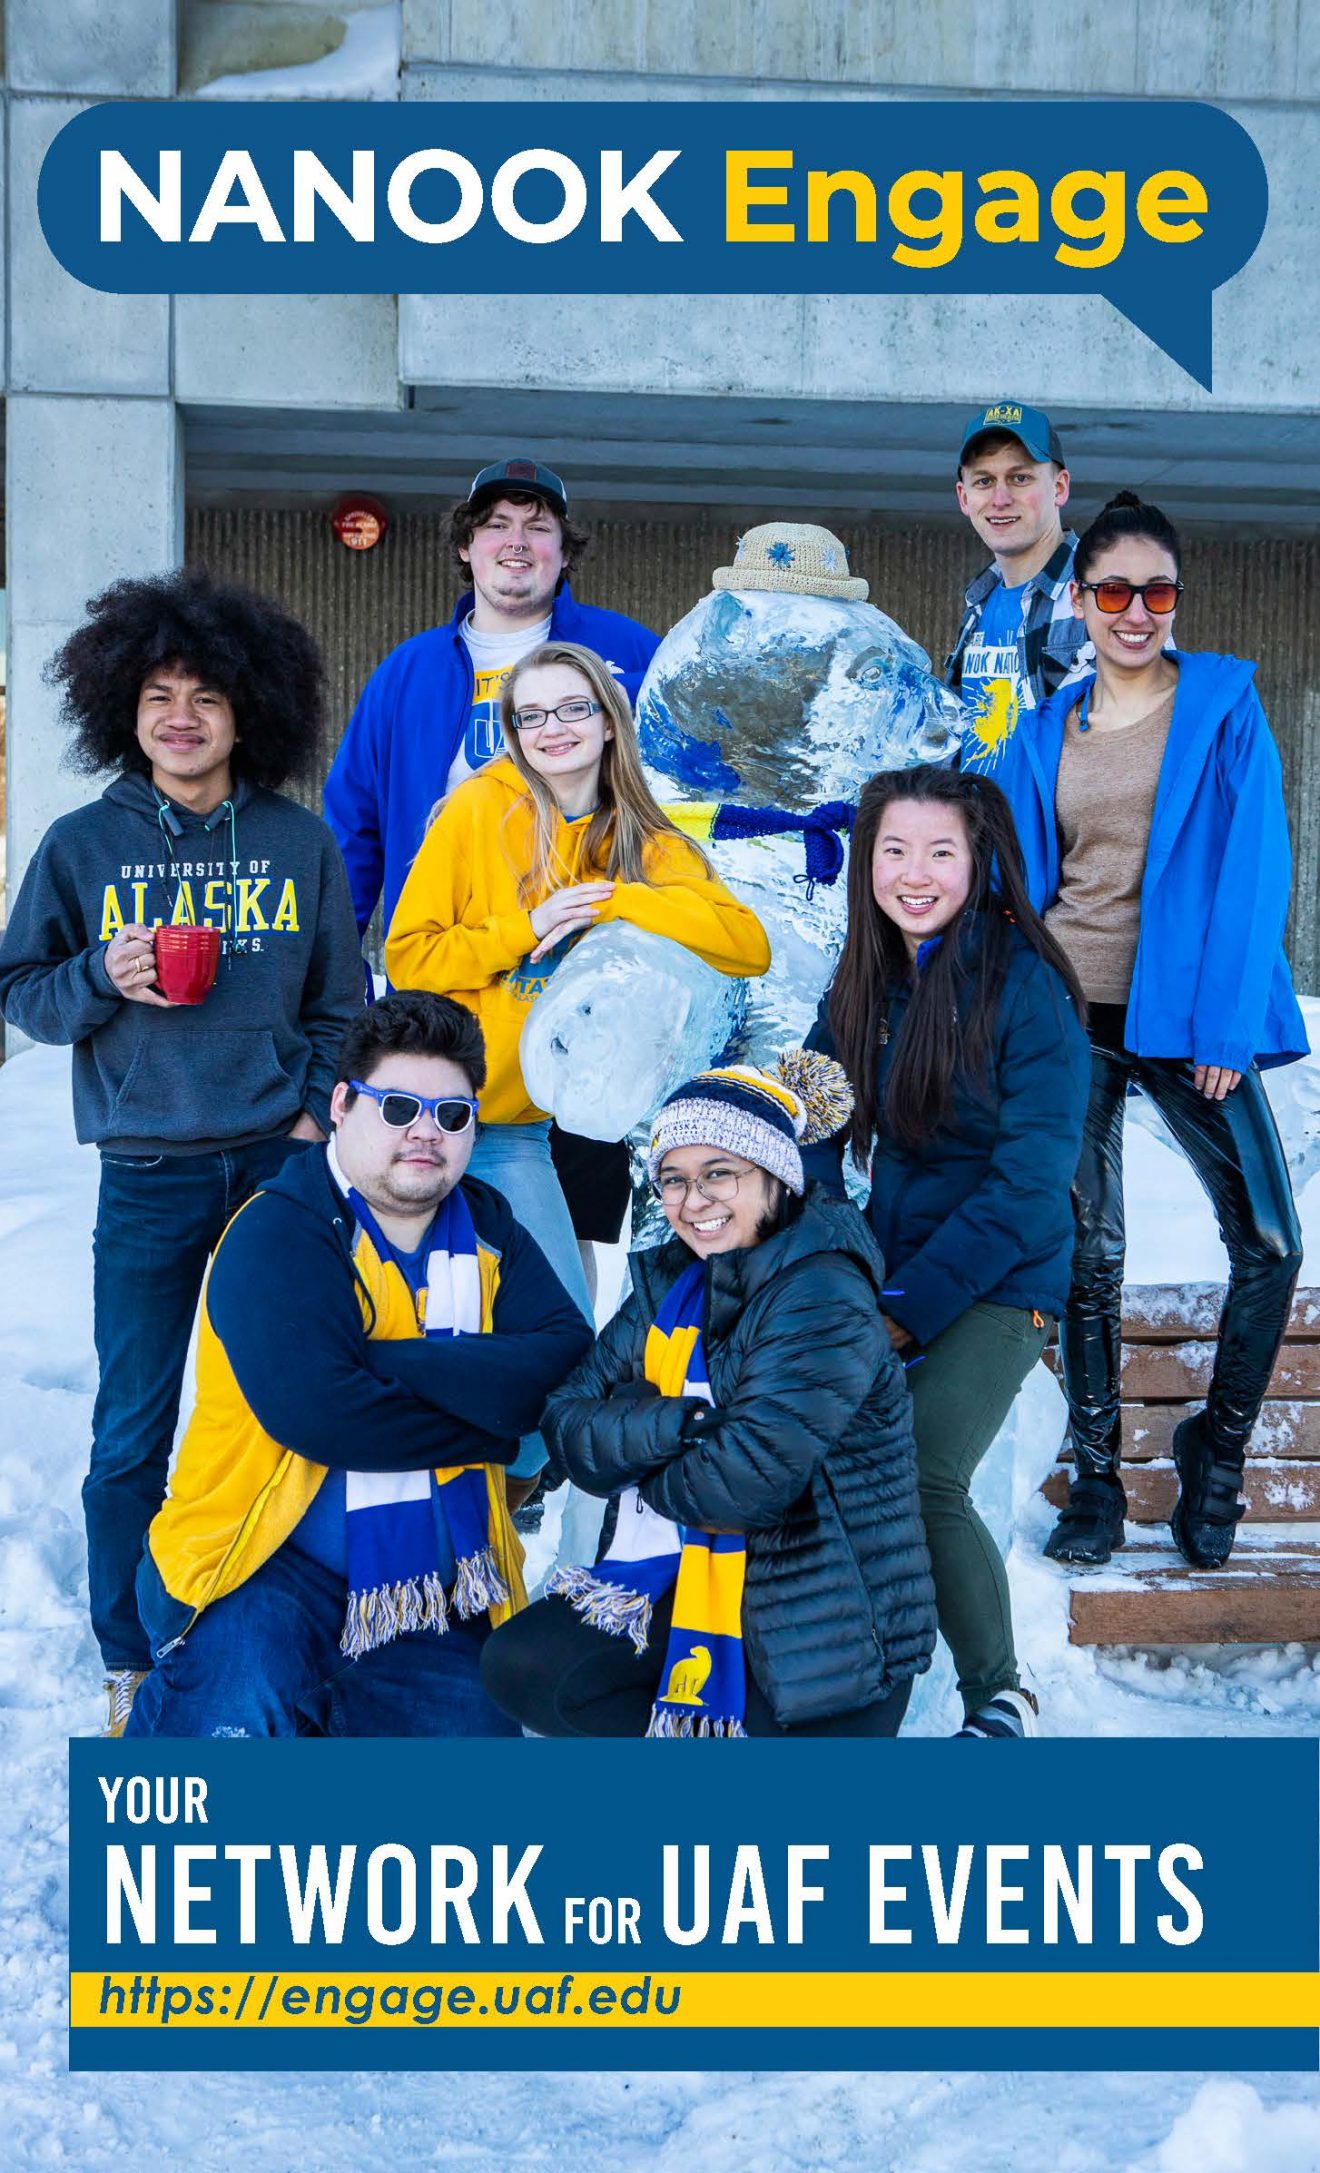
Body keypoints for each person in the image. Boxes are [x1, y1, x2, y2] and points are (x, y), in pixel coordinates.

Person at [0, 569, 364, 1734]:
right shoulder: (80, 843)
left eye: (206, 695)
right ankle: (130, 1648)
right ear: (127, 707)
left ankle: (281, 1615)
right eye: (159, 694)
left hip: (277, 1163)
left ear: (247, 710)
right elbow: (22, 992)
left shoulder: (297, 843)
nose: (183, 717)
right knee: (135, 1421)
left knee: (287, 1401)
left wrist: (312, 1112)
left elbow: (341, 1005)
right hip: (148, 1172)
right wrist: (98, 976)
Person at [127, 992, 593, 1739]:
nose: (425, 1133)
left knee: (483, 1829)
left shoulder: (491, 1227)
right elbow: (323, 1418)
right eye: (399, 1104)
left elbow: (564, 1357)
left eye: (451, 1115)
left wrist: (374, 1364)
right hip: (264, 1575)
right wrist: (496, 1431)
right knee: (221, 1771)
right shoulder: (281, 1226)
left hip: (431, 1596)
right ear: (342, 1103)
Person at [993, 491, 1307, 1572]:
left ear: (1177, 601)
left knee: (1269, 1239)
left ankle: (1212, 1456)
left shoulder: (1222, 706)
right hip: (1069, 1008)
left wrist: (1223, 1021)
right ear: (1079, 602)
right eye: (1114, 590)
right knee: (1090, 1250)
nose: (1136, 610)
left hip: (1189, 1016)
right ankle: (1097, 1475)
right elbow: (1020, 885)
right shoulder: (1040, 734)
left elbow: (1255, 869)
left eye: (1157, 591)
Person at [480, 1054, 937, 1738]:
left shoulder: (822, 1291)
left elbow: (739, 1485)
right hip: (683, 1580)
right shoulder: (673, 1282)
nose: (694, 1202)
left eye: (719, 1172)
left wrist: (636, 1445)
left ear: (775, 1176)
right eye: (674, 1180)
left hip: (817, 1632)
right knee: (523, 1664)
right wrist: (681, 1425)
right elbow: (567, 1418)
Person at [323, 456, 663, 1285]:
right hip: (443, 985)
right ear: (467, 548)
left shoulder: (625, 654)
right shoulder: (407, 671)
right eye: (497, 525)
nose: (517, 542)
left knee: (566, 1220)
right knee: (431, 1196)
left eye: (538, 526)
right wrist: (332, 985)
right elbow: (353, 830)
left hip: (581, 997)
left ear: (564, 550)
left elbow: (679, 800)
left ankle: (555, 1380)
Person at [807, 765, 1091, 1738]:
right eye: (893, 850)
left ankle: (999, 1690)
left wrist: (902, 1307)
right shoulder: (874, 973)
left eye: (939, 851)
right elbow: (806, 1109)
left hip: (1005, 1282)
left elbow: (1028, 1185)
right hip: (895, 1265)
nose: (913, 873)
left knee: (924, 1469)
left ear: (981, 860)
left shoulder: (1028, 990)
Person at [384, 640, 771, 1339]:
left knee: (559, 1333)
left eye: (572, 708)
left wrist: (620, 900)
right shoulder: (477, 810)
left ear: (608, 722)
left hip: (526, 1129)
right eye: (531, 716)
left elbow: (746, 945)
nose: (552, 728)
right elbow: (409, 956)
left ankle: (536, 1456)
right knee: (426, 1326)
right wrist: (521, 928)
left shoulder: (642, 840)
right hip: (447, 1113)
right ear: (513, 734)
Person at [946, 400, 1089, 770]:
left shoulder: (1102, 593)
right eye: (984, 481)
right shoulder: (981, 600)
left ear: (1059, 487)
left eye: (1020, 478)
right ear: (964, 497)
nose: (1000, 498)